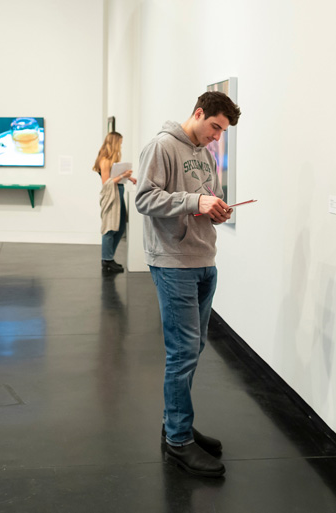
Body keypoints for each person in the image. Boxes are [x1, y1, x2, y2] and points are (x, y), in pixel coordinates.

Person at [135, 91, 241, 477]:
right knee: (182, 353)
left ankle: (175, 421)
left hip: (203, 260)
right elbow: (145, 199)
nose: (217, 136)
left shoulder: (206, 155)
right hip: (174, 262)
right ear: (198, 114)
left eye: (222, 131)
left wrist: (215, 209)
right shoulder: (162, 146)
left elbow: (203, 199)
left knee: (193, 349)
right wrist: (195, 203)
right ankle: (178, 440)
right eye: (215, 127)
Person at [94, 132, 136, 273]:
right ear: (114, 143)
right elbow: (106, 182)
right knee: (110, 228)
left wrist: (129, 178)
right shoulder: (105, 160)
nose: (120, 146)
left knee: (120, 226)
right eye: (120, 143)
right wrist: (123, 175)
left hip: (119, 193)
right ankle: (107, 260)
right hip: (112, 196)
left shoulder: (111, 160)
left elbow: (113, 177)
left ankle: (109, 257)